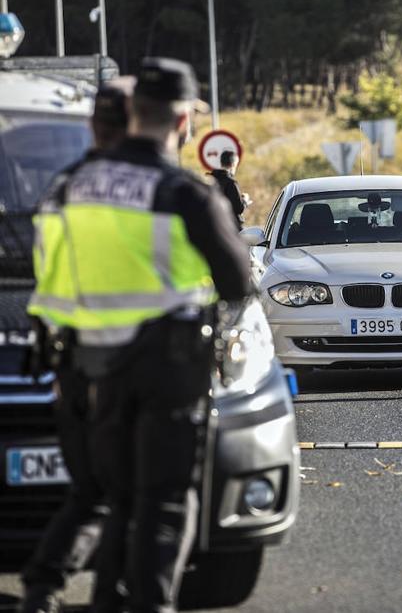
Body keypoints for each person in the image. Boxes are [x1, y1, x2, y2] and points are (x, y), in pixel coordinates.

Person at [27, 58, 252, 613]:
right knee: (165, 502)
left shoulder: (69, 184)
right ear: (182, 121)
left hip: (90, 366)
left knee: (118, 500)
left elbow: (47, 268)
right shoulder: (179, 193)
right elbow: (237, 280)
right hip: (166, 369)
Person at [18, 76, 135, 613]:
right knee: (139, 493)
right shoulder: (153, 188)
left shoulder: (61, 189)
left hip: (75, 364)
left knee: (91, 490)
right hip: (138, 366)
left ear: (93, 127)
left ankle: (44, 587)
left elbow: (47, 280)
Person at [210, 150, 250, 229]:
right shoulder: (231, 182)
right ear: (233, 164)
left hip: (213, 225)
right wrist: (245, 201)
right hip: (231, 227)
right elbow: (238, 208)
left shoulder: (210, 180)